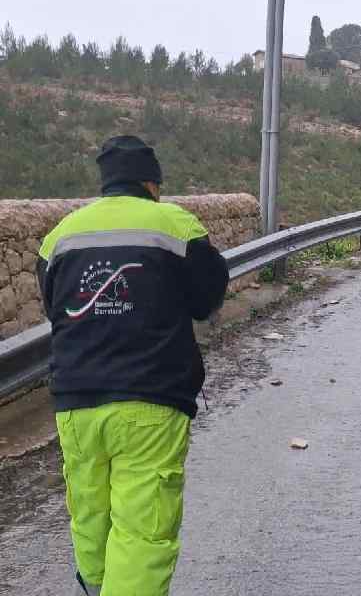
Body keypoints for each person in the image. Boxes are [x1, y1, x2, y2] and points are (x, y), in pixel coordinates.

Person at [36, 136, 229, 596]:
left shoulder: (60, 235)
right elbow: (207, 298)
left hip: (76, 403)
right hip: (151, 399)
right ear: (152, 183)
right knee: (143, 529)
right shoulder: (174, 224)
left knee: (90, 514)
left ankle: (95, 588)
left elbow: (53, 308)